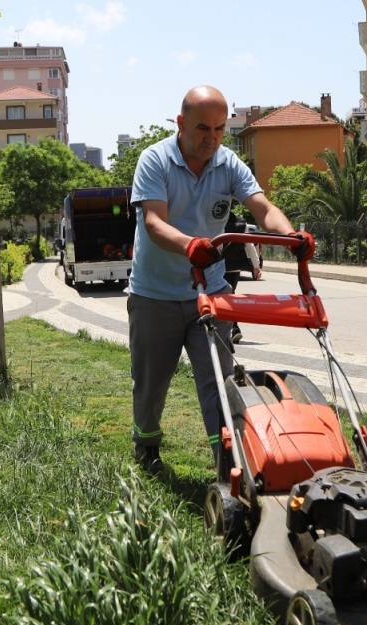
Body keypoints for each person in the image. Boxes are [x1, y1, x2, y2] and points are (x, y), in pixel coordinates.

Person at [127, 85, 311, 473]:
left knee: (218, 381)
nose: (211, 139)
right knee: (151, 383)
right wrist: (190, 244)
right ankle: (146, 447)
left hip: (210, 291)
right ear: (180, 123)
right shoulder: (154, 160)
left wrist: (290, 237)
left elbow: (263, 208)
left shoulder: (228, 164)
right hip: (154, 295)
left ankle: (226, 459)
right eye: (202, 129)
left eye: (218, 130)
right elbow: (154, 222)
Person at [221, 213, 263, 344]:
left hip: (218, 267)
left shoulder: (214, 220)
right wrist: (256, 266)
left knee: (221, 298)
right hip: (235, 268)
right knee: (230, 297)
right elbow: (249, 245)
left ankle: (231, 329)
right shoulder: (241, 224)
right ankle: (233, 329)